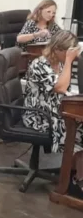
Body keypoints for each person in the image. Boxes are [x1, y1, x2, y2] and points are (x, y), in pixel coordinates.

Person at [22, 31, 83, 198]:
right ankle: (74, 178)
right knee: (75, 128)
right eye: (68, 52)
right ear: (57, 49)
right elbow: (60, 88)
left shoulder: (60, 63)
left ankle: (74, 172)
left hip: (55, 108)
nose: (72, 57)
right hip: (40, 114)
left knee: (79, 123)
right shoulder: (40, 64)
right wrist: (69, 61)